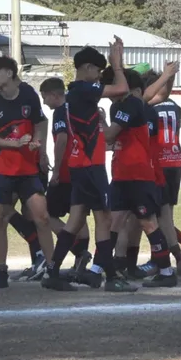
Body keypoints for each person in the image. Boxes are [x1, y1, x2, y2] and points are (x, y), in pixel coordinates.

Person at [42, 40, 136, 293]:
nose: (98, 75)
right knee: (103, 219)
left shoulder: (73, 94)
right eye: (96, 70)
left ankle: (53, 271)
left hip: (80, 165)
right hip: (90, 167)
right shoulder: (83, 89)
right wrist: (117, 65)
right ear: (85, 68)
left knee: (75, 220)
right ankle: (111, 276)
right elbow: (121, 88)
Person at [0, 57, 56, 289]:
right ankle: (2, 272)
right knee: (1, 218)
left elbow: (41, 123)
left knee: (42, 217)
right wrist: (15, 144)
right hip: (2, 170)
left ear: (10, 72)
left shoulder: (29, 94)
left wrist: (38, 144)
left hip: (28, 169)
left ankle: (52, 270)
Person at [104, 69, 176, 288]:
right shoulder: (119, 106)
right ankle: (108, 269)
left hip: (138, 174)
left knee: (149, 223)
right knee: (113, 222)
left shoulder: (133, 104)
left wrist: (166, 75)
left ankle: (166, 271)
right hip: (121, 174)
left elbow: (108, 136)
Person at [37, 77, 98, 287]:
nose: (44, 102)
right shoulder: (77, 108)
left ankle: (79, 253)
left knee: (47, 214)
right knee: (79, 215)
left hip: (66, 172)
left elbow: (62, 139)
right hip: (83, 170)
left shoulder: (61, 112)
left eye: (45, 97)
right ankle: (80, 261)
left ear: (55, 95)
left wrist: (55, 170)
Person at [142, 66, 181, 274]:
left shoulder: (148, 105)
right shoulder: (176, 106)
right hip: (175, 159)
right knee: (162, 216)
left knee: (156, 217)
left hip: (159, 162)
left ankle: (173, 256)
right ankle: (177, 252)